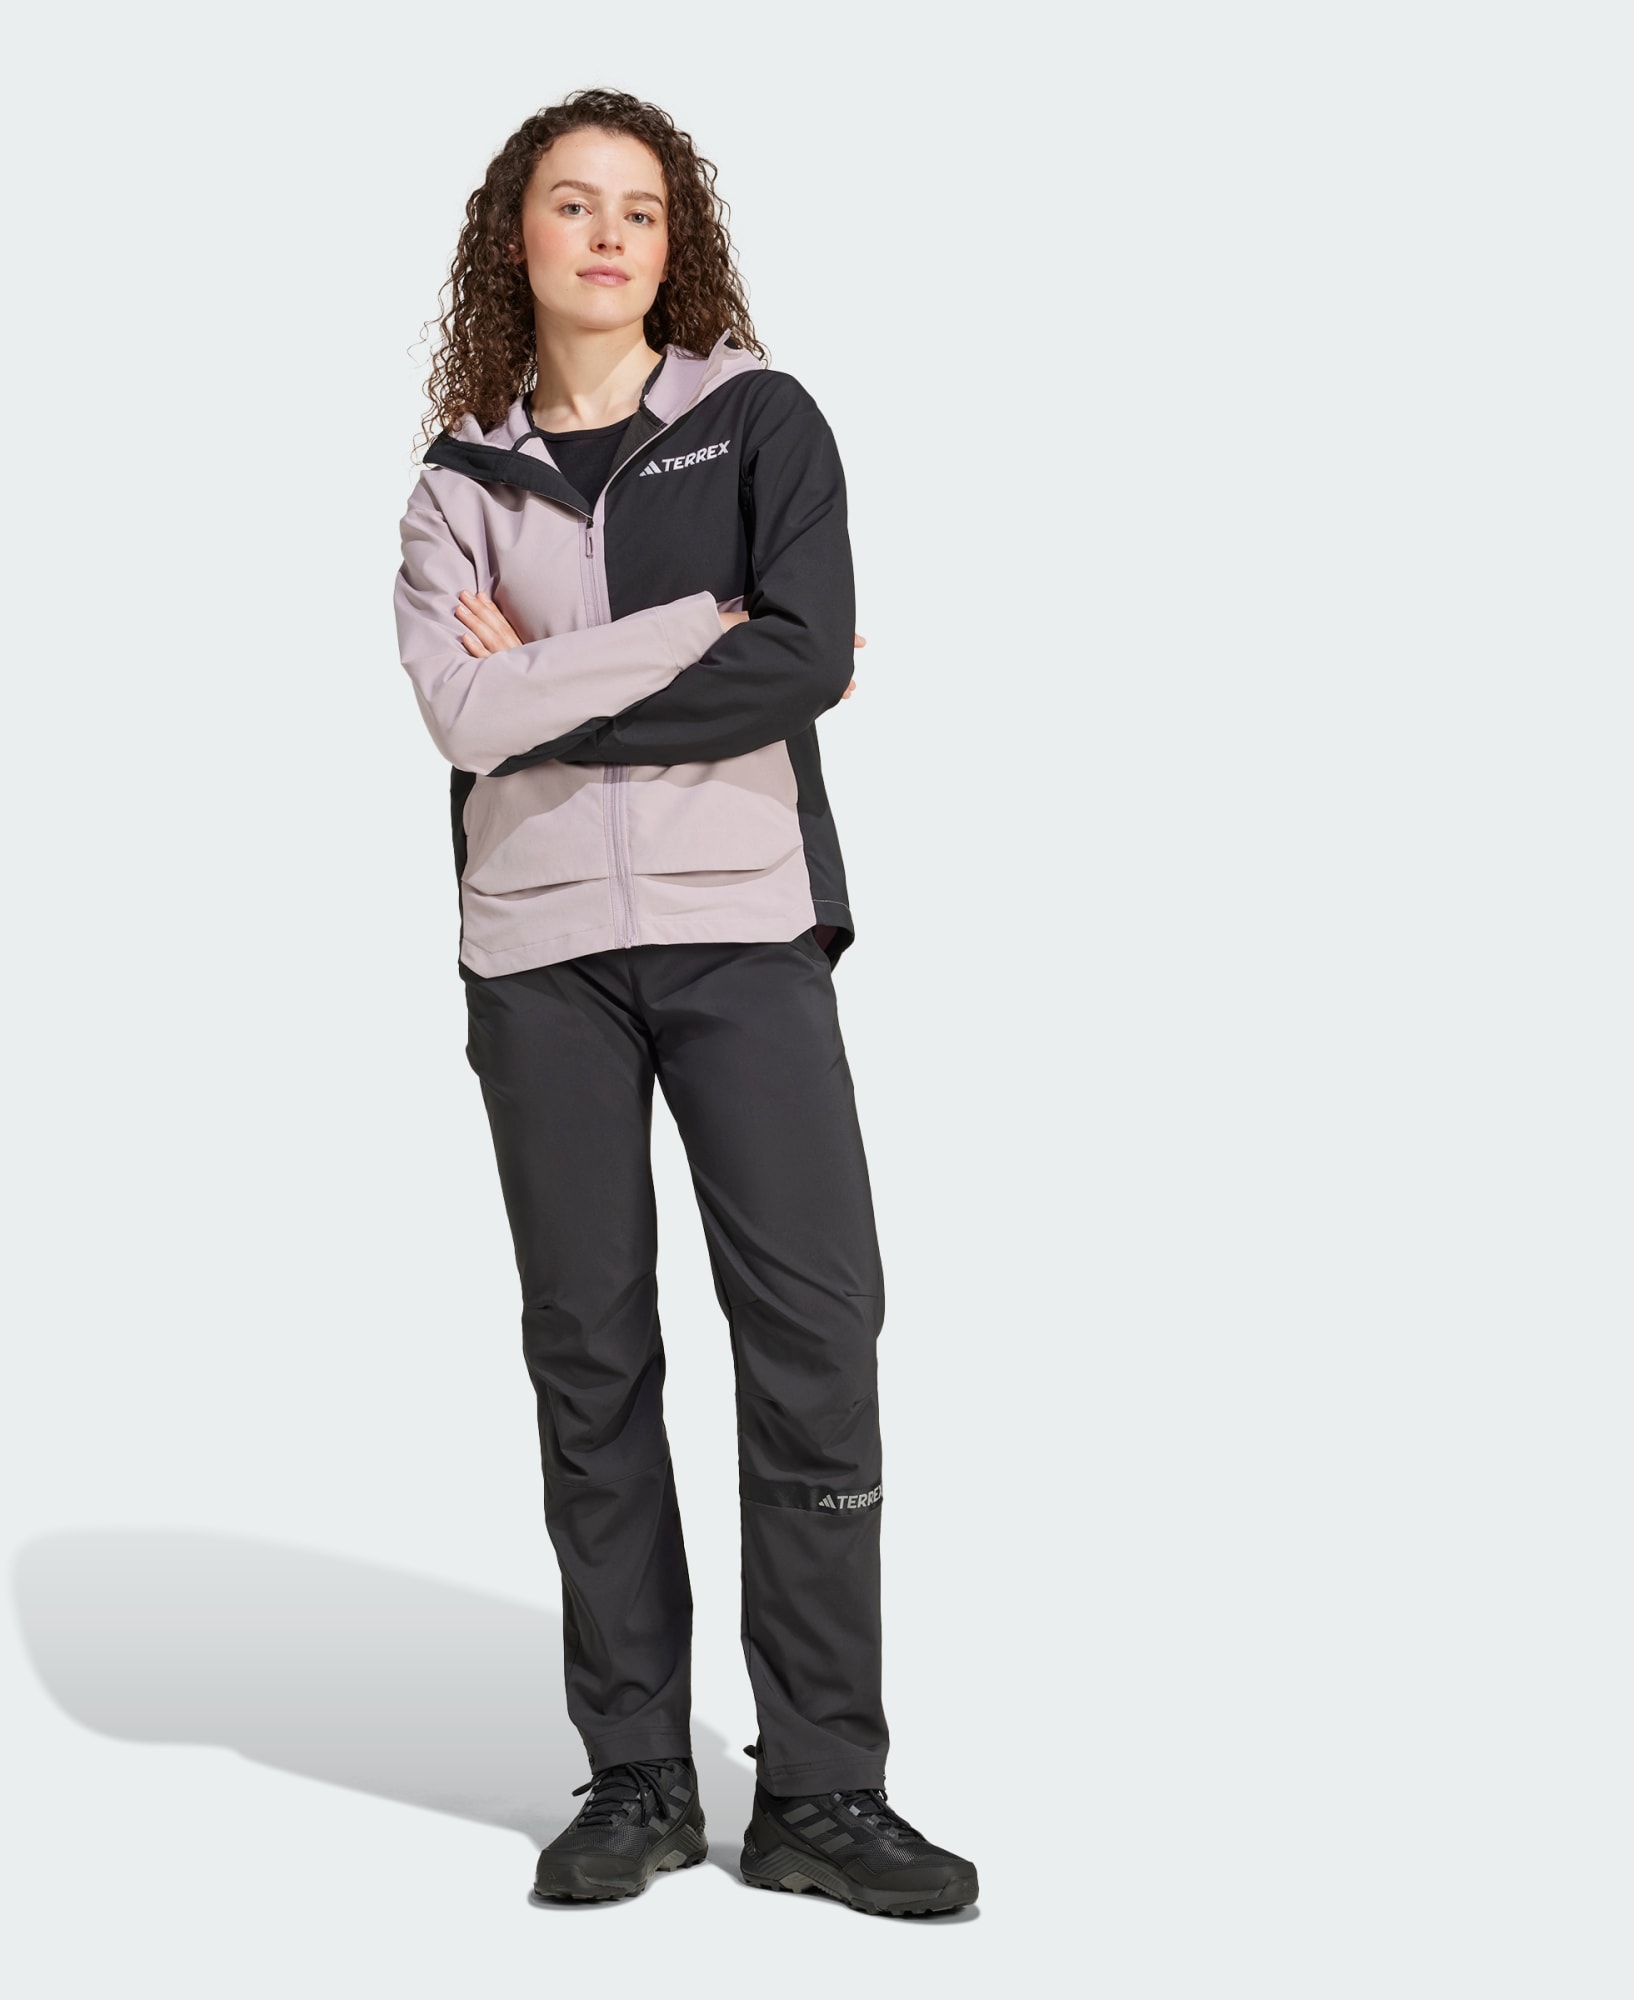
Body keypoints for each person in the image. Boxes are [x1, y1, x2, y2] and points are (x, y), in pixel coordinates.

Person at [392, 87, 978, 1918]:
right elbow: (459, 714)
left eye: (639, 208)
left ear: (677, 241)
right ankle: (636, 1773)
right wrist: (679, 638)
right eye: (573, 204)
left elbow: (798, 658)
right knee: (591, 1351)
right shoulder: (456, 484)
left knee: (816, 1329)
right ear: (516, 237)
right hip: (537, 954)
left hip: (744, 928)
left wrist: (557, 680)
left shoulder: (759, 423)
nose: (608, 235)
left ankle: (823, 1788)